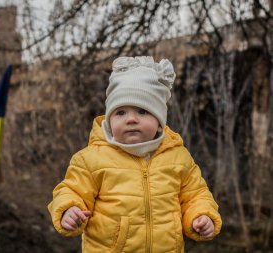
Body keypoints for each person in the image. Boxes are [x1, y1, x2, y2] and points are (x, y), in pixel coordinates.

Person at [48, 56, 222, 252]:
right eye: (120, 112)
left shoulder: (179, 158)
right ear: (109, 120)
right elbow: (71, 191)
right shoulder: (90, 160)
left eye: (142, 111)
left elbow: (196, 195)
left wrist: (201, 215)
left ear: (159, 121)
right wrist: (69, 210)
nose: (131, 119)